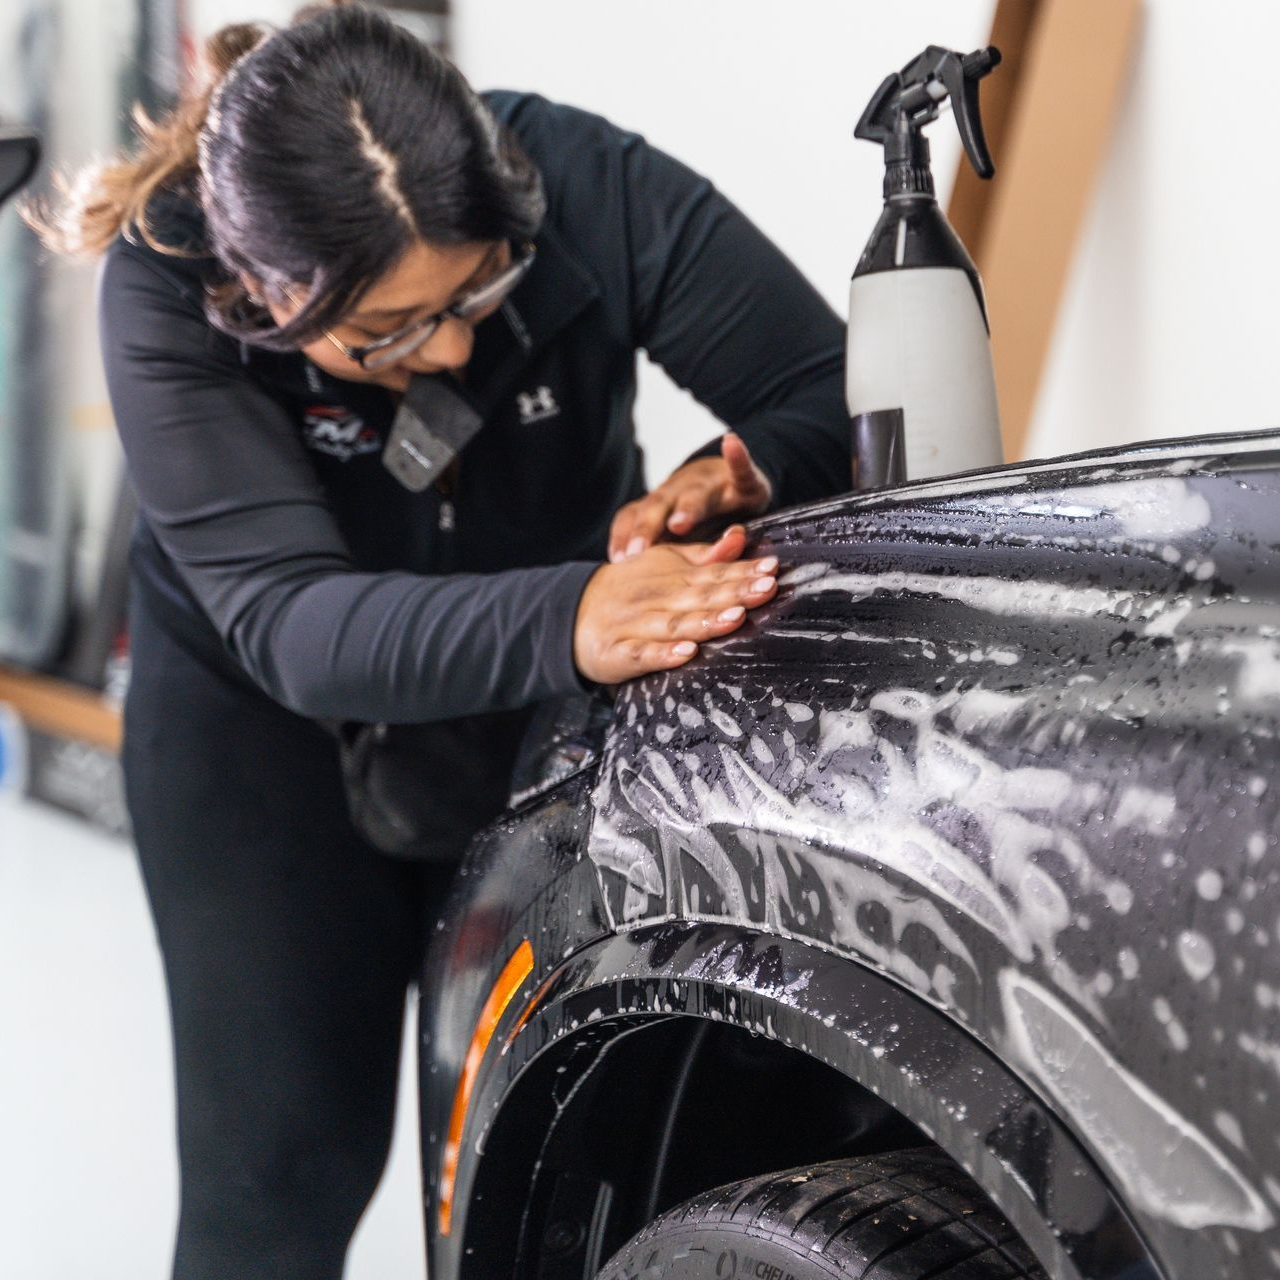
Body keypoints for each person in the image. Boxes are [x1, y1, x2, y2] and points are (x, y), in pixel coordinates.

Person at [27, 3, 852, 1276]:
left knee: (560, 1160)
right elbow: (294, 620)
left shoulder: (585, 180)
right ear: (260, 289)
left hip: (543, 710)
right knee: (279, 1178)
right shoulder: (166, 278)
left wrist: (735, 471)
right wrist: (572, 611)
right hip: (267, 739)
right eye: (390, 334)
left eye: (481, 286)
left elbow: (822, 389)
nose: (455, 344)